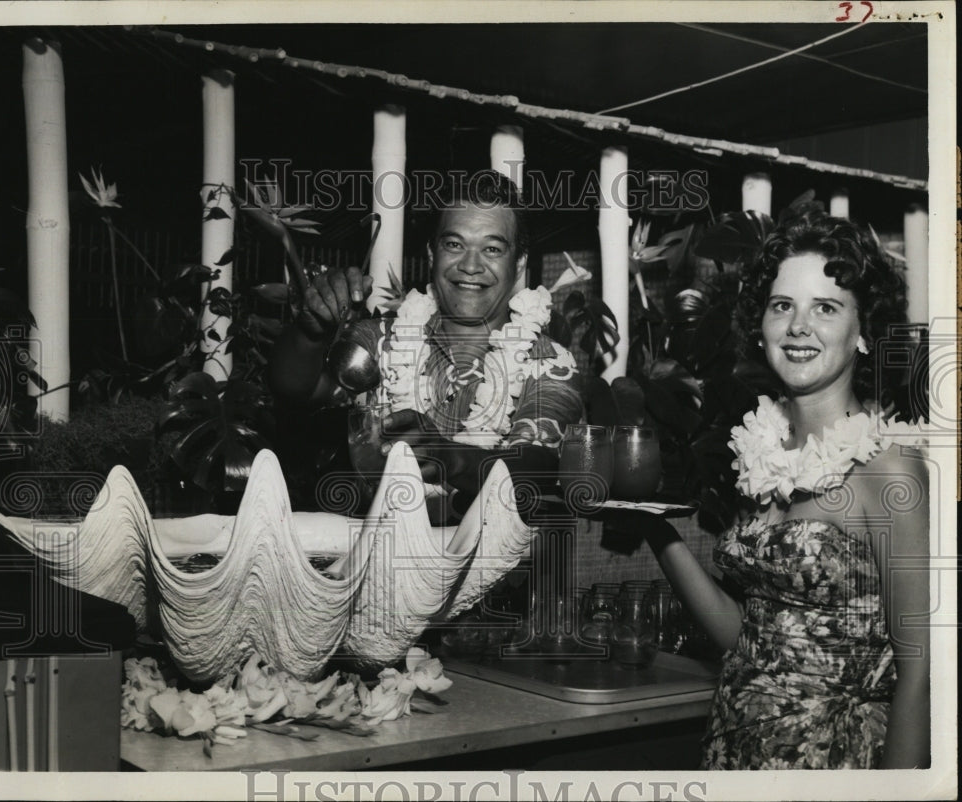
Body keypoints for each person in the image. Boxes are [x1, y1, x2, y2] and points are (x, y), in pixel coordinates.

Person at [644, 205, 930, 769]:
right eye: (783, 306)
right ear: (763, 325)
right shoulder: (763, 453)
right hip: (736, 749)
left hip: (834, 766)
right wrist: (656, 533)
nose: (799, 326)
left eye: (826, 307)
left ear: (863, 331)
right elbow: (749, 640)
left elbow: (924, 672)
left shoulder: (889, 472)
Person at [268, 174, 583, 521]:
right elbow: (295, 388)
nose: (471, 265)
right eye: (454, 244)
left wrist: (450, 458)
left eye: (492, 249)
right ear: (432, 253)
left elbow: (536, 470)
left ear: (519, 262)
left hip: (494, 571)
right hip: (375, 560)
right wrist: (309, 332)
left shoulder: (549, 360)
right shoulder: (381, 340)